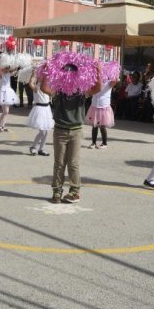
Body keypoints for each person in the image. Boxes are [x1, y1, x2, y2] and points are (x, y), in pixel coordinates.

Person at [41, 62, 102, 204]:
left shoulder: (81, 91)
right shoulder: (58, 91)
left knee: (73, 163)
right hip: (60, 130)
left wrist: (98, 72)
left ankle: (74, 192)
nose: (69, 76)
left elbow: (97, 88)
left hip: (75, 131)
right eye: (66, 73)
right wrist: (45, 72)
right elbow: (44, 88)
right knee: (59, 163)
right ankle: (57, 191)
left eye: (72, 73)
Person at [86, 73, 118, 149]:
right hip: (95, 105)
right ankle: (93, 143)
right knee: (94, 126)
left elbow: (115, 80)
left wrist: (115, 70)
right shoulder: (95, 81)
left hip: (104, 106)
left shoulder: (109, 82)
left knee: (102, 126)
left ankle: (104, 143)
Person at [26, 68, 52, 156]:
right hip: (39, 109)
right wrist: (33, 74)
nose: (44, 78)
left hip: (47, 109)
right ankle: (33, 147)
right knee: (43, 131)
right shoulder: (36, 87)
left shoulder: (49, 87)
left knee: (46, 131)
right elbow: (30, 83)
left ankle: (41, 148)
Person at [0, 64, 18, 131]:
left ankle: (1, 125)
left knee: (6, 112)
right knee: (6, 111)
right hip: (2, 93)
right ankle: (0, 125)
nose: (8, 69)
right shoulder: (0, 74)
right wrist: (0, 62)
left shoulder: (9, 74)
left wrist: (17, 63)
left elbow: (15, 70)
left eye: (8, 68)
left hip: (8, 93)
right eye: (6, 68)